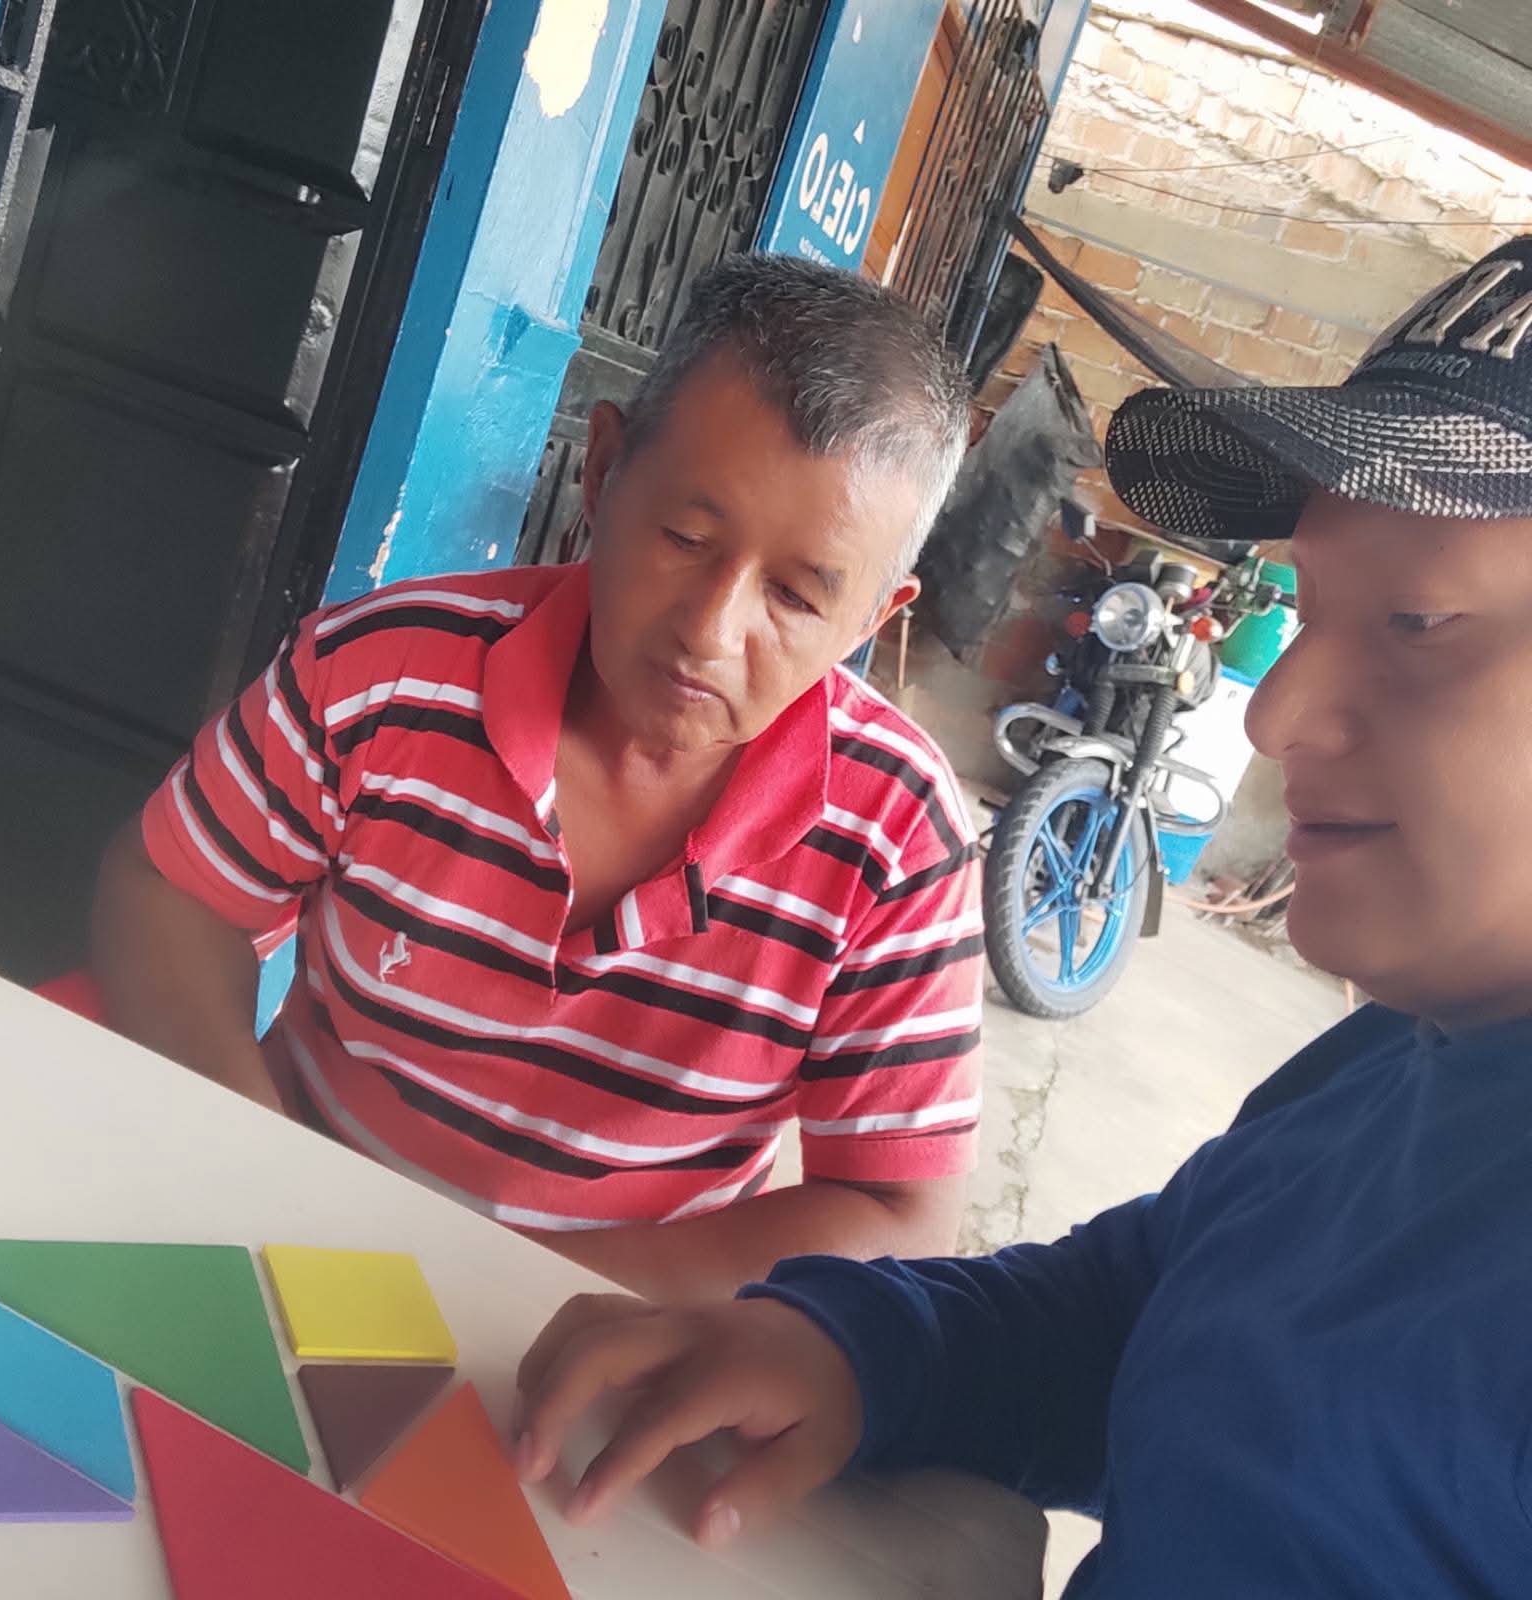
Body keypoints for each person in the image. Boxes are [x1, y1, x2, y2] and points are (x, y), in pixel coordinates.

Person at [511, 235, 1532, 1596]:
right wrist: (860, 1353)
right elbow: (1126, 1315)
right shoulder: (1387, 1066)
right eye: (1312, 615)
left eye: (1417, 622)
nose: (1279, 718)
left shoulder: (887, 823)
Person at [91, 255, 984, 1302]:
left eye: (795, 597)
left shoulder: (898, 841)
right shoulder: (381, 672)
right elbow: (173, 891)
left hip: (590, 1334)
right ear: (601, 473)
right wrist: (260, 1184)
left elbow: (895, 1209)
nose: (710, 631)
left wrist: (484, 1299)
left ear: (871, 619)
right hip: (288, 1243)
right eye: (685, 538)